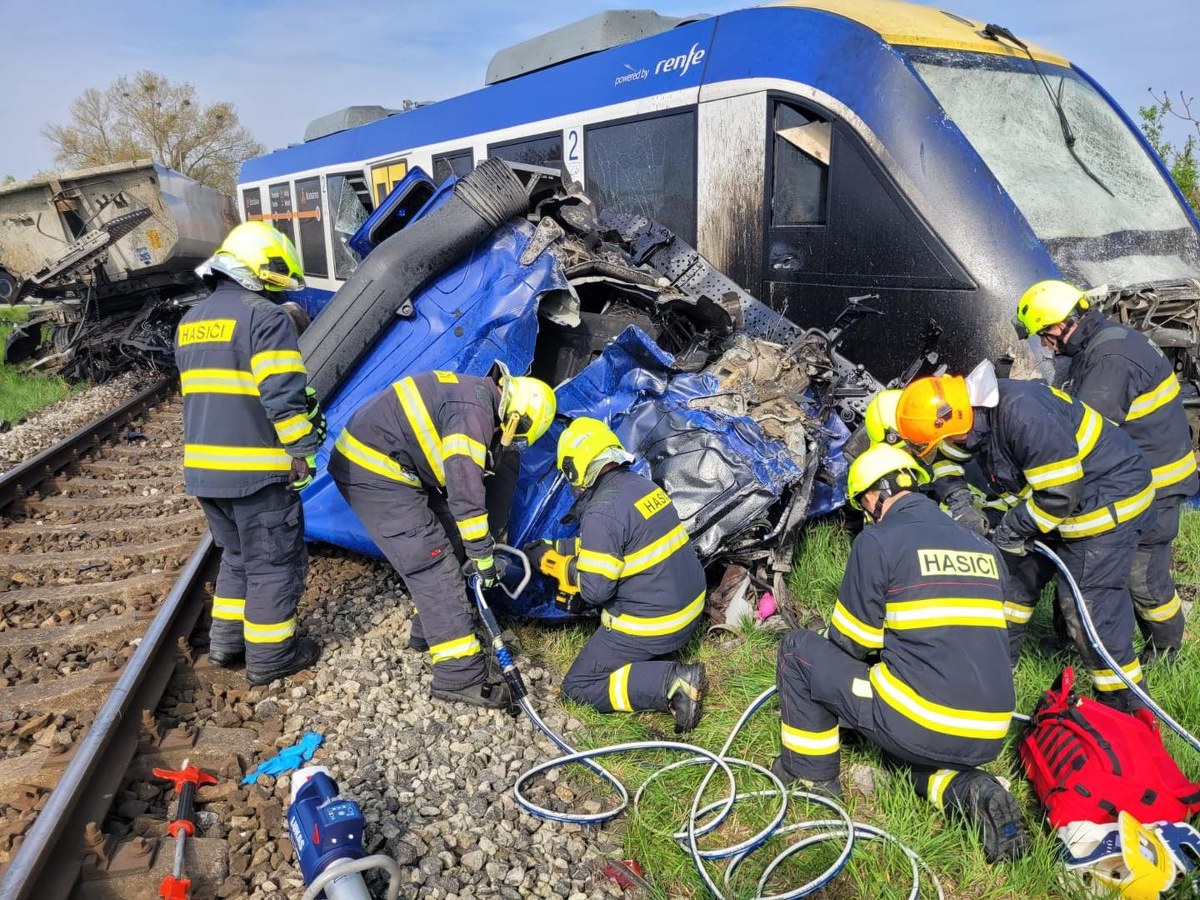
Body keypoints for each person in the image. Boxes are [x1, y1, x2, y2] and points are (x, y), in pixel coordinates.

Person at [773, 444, 1027, 863]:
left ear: (875, 495)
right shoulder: (982, 547)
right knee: (905, 745)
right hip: (991, 730)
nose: (864, 513)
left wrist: (830, 636)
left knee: (799, 651)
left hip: (920, 719)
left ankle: (809, 778)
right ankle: (969, 790)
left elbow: (851, 643)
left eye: (862, 504)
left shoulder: (879, 540)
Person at [895, 363, 1155, 711]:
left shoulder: (1023, 413)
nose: (943, 446)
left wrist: (1010, 529)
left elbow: (1060, 494)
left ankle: (1127, 707)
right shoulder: (971, 417)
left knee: (1088, 610)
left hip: (1106, 502)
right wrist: (959, 500)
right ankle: (997, 673)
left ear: (955, 418)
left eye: (943, 438)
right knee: (1010, 588)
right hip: (1051, 503)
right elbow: (946, 461)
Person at [328, 363, 556, 709]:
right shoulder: (473, 415)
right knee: (433, 563)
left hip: (391, 464)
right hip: (375, 471)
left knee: (448, 538)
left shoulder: (477, 397)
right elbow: (465, 492)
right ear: (515, 418)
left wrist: (478, 544)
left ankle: (434, 629)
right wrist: (482, 555)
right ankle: (459, 675)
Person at [1016, 280, 1197, 663]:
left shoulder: (1109, 361)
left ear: (1067, 323)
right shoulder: (1099, 343)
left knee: (1143, 575)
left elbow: (1086, 435)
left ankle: (1165, 653)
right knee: (1078, 555)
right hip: (1126, 475)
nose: (1046, 345)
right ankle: (1070, 646)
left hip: (1154, 484)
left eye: (1046, 335)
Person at [177, 221, 324, 685]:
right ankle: (272, 656)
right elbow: (282, 395)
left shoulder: (191, 321)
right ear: (261, 268)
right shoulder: (265, 317)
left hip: (205, 471)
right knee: (273, 565)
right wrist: (303, 451)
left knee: (237, 557)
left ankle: (227, 643)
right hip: (257, 472)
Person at [525, 417, 707, 731]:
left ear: (573, 468)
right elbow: (615, 543)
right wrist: (557, 547)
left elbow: (595, 591)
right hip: (689, 610)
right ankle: (659, 666)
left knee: (578, 687)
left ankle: (672, 683)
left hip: (655, 625)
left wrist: (558, 565)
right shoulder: (642, 487)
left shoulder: (601, 511)